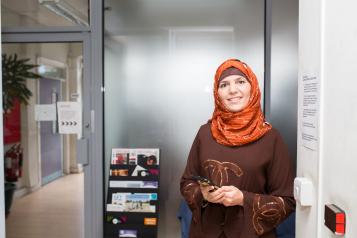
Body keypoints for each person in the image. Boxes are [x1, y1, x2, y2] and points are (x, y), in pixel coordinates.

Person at [180, 59, 295, 238]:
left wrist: (243, 199)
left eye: (240, 82)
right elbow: (187, 182)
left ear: (253, 87)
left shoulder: (271, 138)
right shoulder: (205, 133)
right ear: (217, 93)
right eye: (224, 84)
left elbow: (287, 201)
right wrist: (203, 195)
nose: (232, 90)